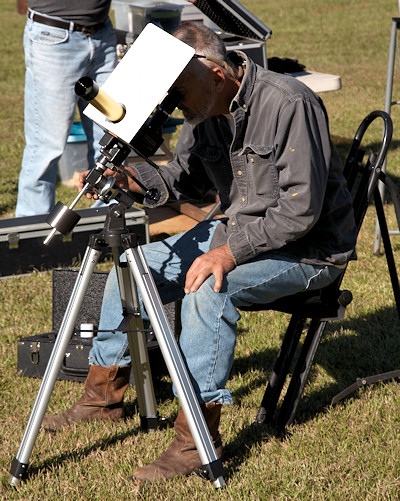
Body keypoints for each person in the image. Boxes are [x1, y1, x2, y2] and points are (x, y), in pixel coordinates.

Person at [42, 22, 358, 482]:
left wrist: (227, 255)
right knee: (133, 265)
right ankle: (102, 399)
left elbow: (300, 209)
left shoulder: (289, 101)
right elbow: (183, 182)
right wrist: (132, 179)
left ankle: (195, 442)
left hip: (308, 251)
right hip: (240, 230)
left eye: (179, 90)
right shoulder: (202, 110)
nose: (175, 104)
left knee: (210, 289)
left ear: (215, 72)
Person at [15, 0, 118, 217]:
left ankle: (108, 226)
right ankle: (31, 237)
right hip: (54, 35)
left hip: (103, 35)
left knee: (113, 140)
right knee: (47, 146)